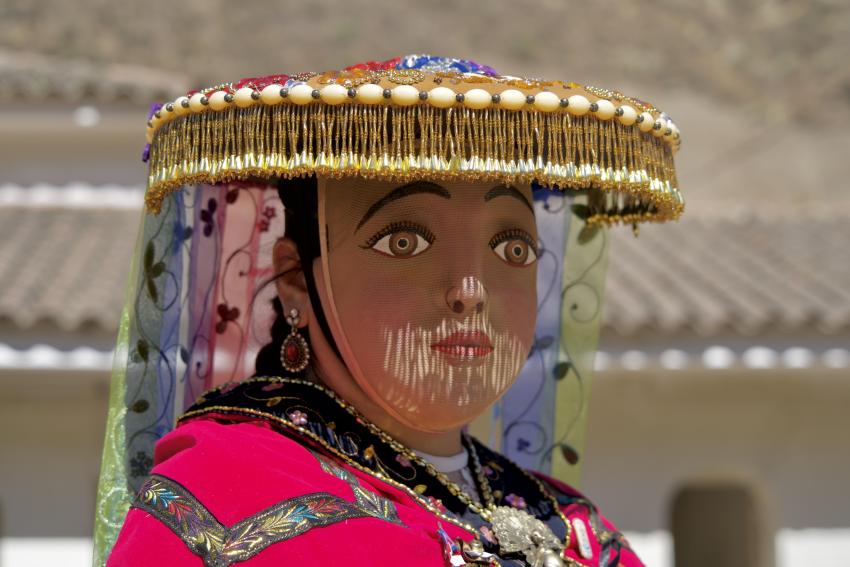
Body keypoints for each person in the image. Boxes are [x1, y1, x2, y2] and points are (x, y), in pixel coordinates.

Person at [95, 55, 683, 566]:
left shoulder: (576, 530)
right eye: (405, 242)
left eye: (513, 248)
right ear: (297, 276)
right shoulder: (226, 494)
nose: (471, 290)